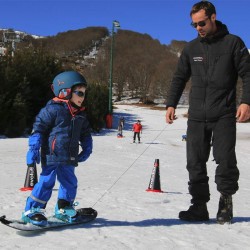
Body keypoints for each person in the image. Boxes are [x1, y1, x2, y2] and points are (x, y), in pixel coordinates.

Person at [166, 1, 250, 224]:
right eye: (193, 25)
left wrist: (246, 102)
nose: (198, 28)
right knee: (194, 162)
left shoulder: (233, 43)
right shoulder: (191, 48)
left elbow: (248, 74)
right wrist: (170, 104)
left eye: (201, 23)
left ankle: (225, 202)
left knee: (225, 159)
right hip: (196, 116)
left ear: (213, 17)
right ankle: (199, 206)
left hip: (223, 113)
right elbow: (179, 78)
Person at [22, 71, 93, 226]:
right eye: (79, 92)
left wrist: (87, 148)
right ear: (65, 91)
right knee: (46, 182)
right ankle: (33, 211)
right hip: (52, 154)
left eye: (84, 93)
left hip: (70, 157)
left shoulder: (80, 114)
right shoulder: (53, 109)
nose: (82, 97)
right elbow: (38, 129)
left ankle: (63, 208)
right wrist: (33, 149)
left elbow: (86, 133)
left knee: (70, 183)